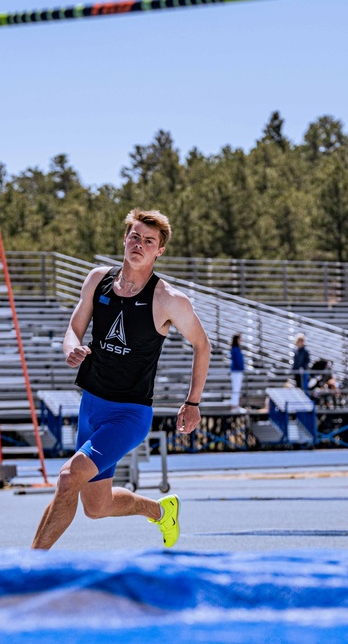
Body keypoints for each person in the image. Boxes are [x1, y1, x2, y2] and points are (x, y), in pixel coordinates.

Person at [31, 208, 210, 551]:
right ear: (125, 239)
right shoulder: (98, 279)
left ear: (159, 251)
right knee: (96, 507)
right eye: (135, 237)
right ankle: (161, 510)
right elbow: (73, 328)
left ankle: (29, 565)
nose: (139, 245)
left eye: (149, 241)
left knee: (69, 478)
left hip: (129, 413)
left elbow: (202, 345)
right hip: (92, 405)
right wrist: (72, 348)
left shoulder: (168, 300)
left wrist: (193, 402)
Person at [229, 333, 245, 410]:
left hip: (237, 371)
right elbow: (238, 361)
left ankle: (235, 404)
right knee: (236, 388)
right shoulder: (235, 349)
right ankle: (234, 405)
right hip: (236, 371)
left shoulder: (236, 349)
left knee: (237, 388)